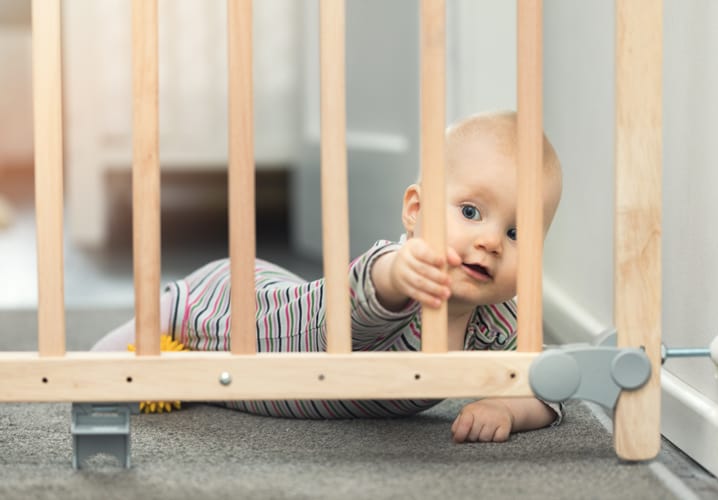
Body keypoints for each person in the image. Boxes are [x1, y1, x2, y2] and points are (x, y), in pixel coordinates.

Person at [93, 110, 564, 443]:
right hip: (235, 304)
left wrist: (507, 408)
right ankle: (84, 365)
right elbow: (362, 302)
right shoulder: (396, 271)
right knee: (117, 361)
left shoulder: (498, 322)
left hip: (263, 372)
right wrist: (399, 274)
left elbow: (546, 389)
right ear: (415, 211)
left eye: (517, 231)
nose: (491, 242)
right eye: (470, 211)